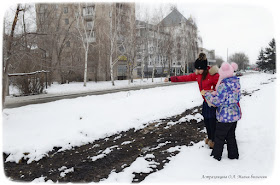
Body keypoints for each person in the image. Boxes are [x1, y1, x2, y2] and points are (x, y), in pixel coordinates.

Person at [164, 53, 219, 148]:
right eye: (196, 69)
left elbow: (221, 86)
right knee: (206, 121)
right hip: (206, 102)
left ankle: (214, 140)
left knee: (212, 122)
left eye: (199, 69)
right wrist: (170, 79)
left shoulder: (213, 75)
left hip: (213, 103)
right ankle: (210, 138)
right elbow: (185, 78)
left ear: (205, 68)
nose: (197, 71)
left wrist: (214, 92)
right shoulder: (198, 75)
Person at [201, 62, 241, 161]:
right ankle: (233, 155)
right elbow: (228, 95)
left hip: (225, 116)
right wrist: (214, 92)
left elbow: (218, 101)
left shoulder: (223, 85)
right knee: (231, 136)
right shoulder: (236, 83)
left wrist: (207, 95)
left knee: (219, 137)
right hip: (234, 115)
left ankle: (216, 157)